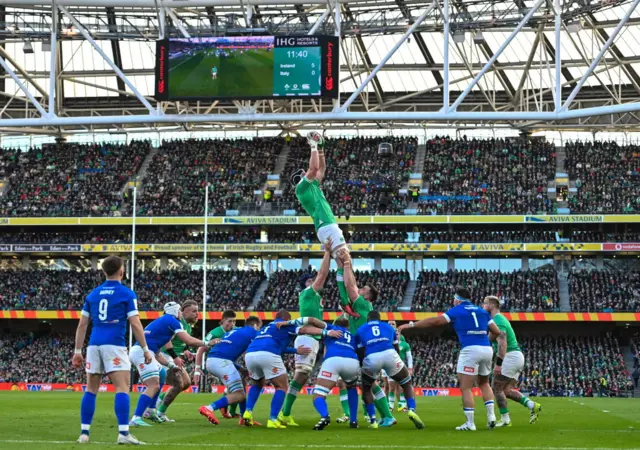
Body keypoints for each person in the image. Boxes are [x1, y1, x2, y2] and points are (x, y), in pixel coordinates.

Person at [398, 287, 506, 431]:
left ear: (457, 299)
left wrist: (411, 324)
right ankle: (491, 417)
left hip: (470, 349)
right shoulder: (482, 312)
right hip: (486, 349)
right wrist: (485, 340)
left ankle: (470, 424)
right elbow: (497, 332)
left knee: (466, 387)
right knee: (484, 383)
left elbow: (435, 321)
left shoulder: (456, 310)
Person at [71, 255, 151, 445]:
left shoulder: (93, 294)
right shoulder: (126, 293)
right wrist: (146, 349)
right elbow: (136, 324)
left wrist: (77, 351)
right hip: (114, 344)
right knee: (122, 388)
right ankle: (123, 434)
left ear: (104, 272)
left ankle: (84, 434)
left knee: (91, 389)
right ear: (122, 271)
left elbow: (82, 325)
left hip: (93, 345)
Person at [242, 311, 340, 429]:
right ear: (286, 318)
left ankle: (248, 412)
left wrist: (295, 351)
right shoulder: (286, 324)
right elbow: (304, 330)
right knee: (281, 386)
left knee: (257, 384)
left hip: (250, 354)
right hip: (268, 353)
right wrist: (327, 332)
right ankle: (273, 419)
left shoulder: (266, 327)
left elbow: (281, 347)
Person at [334, 250, 394, 425]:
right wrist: (341, 265)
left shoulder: (363, 303)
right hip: (366, 348)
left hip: (364, 349)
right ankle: (380, 415)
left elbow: (350, 285)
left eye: (364, 289)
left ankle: (385, 416)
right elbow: (347, 286)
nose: (360, 290)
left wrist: (346, 264)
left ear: (368, 295)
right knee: (368, 384)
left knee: (369, 384)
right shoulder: (363, 306)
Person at [129, 301, 208, 427]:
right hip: (141, 353)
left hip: (145, 352)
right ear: (175, 311)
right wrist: (206, 343)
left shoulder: (164, 322)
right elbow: (187, 340)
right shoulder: (172, 321)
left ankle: (151, 410)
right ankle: (136, 417)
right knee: (153, 385)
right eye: (179, 311)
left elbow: (158, 354)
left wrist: (171, 366)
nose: (180, 313)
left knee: (161, 374)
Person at [278, 246, 332, 427]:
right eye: (310, 280)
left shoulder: (315, 297)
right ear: (305, 285)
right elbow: (322, 275)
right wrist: (328, 252)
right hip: (307, 337)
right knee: (300, 375)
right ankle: (284, 413)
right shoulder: (308, 293)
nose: (314, 281)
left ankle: (285, 413)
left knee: (302, 377)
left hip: (313, 338)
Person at [357, 311, 424, 430]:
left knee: (367, 389)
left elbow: (360, 351)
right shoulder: (388, 327)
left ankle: (373, 421)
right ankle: (412, 410)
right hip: (390, 355)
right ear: (380, 319)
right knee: (406, 383)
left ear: (368, 319)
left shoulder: (361, 329)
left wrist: (364, 365)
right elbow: (396, 347)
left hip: (372, 358)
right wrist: (397, 361)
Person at [482, 295, 542, 427]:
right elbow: (490, 338)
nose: (482, 306)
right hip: (517, 356)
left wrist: (498, 364)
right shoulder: (497, 320)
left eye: (484, 304)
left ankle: (505, 420)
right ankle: (533, 405)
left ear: (491, 305)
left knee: (496, 388)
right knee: (506, 391)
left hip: (510, 356)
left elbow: (502, 343)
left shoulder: (498, 320)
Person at [292, 132, 348, 262]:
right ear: (300, 179)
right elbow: (314, 168)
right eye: (303, 174)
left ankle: (345, 283)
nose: (306, 172)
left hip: (326, 224)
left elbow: (321, 169)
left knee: (342, 262)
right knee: (345, 260)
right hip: (326, 224)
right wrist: (313, 146)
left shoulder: (310, 186)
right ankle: (349, 284)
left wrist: (321, 149)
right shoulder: (300, 188)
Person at [198, 316, 263, 425]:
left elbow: (226, 351)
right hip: (222, 362)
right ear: (256, 325)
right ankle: (208, 408)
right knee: (239, 394)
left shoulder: (235, 331)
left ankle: (243, 419)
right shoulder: (252, 332)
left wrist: (240, 369)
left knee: (241, 391)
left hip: (213, 360)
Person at [310, 316, 360, 430]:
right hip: (352, 361)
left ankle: (324, 416)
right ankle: (353, 421)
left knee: (318, 394)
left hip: (333, 360)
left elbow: (313, 323)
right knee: (351, 388)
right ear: (348, 327)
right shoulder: (353, 335)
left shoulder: (332, 329)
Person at [154, 300, 200, 422]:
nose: (197, 314)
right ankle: (160, 412)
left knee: (187, 383)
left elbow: (182, 341)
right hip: (165, 356)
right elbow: (167, 340)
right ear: (184, 312)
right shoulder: (177, 322)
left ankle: (158, 400)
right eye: (194, 311)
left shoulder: (188, 326)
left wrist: (185, 351)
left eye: (197, 311)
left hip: (173, 357)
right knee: (178, 384)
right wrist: (175, 357)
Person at [195, 310, 238, 419]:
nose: (232, 324)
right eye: (230, 321)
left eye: (234, 321)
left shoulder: (236, 331)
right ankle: (220, 407)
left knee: (237, 385)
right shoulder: (214, 333)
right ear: (223, 321)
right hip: (216, 363)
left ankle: (229, 410)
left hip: (229, 362)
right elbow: (201, 349)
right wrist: (197, 369)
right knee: (236, 386)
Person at [384, 321, 413, 412]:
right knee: (390, 386)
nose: (396, 334)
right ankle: (390, 406)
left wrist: (410, 368)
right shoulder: (387, 342)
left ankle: (403, 405)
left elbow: (409, 357)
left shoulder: (405, 344)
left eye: (398, 333)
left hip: (400, 366)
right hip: (389, 366)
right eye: (395, 333)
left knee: (401, 387)